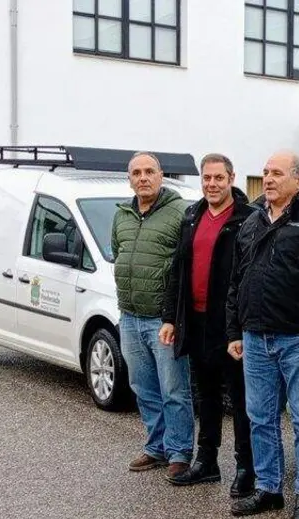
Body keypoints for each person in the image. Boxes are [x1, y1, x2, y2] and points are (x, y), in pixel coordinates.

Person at [226, 150, 299, 519]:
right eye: (265, 172)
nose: (269, 179)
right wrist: (234, 331)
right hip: (254, 336)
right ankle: (269, 488)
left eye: (277, 173)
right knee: (260, 417)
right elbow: (236, 281)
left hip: (297, 339)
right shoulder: (251, 223)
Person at [160, 153, 255, 496]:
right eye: (206, 178)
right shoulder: (192, 215)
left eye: (219, 178)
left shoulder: (248, 218)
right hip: (196, 321)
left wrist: (241, 327)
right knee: (207, 395)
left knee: (241, 400)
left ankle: (246, 468)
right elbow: (178, 270)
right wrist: (171, 317)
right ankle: (207, 462)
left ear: (232, 178)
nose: (212, 184)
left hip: (230, 325)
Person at [113, 151, 195, 480]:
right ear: (129, 178)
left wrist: (173, 316)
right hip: (129, 315)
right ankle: (156, 446)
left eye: (149, 171)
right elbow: (118, 253)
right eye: (136, 173)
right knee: (142, 386)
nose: (143, 177)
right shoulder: (121, 215)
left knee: (174, 388)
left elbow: (185, 267)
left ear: (161, 175)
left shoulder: (179, 212)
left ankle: (179, 451)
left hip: (162, 319)